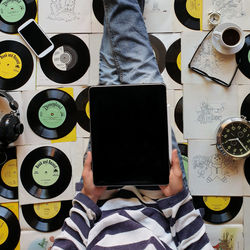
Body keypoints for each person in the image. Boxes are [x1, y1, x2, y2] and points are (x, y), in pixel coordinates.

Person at [51, 0, 213, 249]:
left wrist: (87, 198)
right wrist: (179, 201)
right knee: (135, 72)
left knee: (115, 77)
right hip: (162, 196)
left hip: (99, 197)